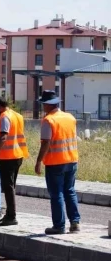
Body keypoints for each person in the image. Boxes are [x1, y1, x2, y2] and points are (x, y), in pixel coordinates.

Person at [35, 90, 81, 235]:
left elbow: (46, 143)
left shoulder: (49, 120)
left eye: (43, 104)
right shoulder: (70, 117)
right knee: (70, 191)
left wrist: (38, 161)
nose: (42, 107)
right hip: (72, 160)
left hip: (55, 162)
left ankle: (59, 226)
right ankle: (75, 223)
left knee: (57, 194)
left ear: (47, 105)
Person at [0, 97, 28, 226]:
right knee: (11, 186)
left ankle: (11, 216)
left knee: (8, 187)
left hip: (8, 157)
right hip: (18, 155)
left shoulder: (5, 117)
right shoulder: (17, 116)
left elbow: (3, 137)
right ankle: (9, 213)